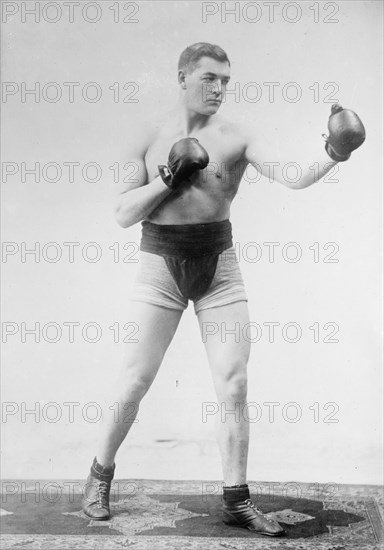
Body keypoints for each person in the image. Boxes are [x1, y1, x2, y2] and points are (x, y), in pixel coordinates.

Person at [81, 42, 365, 537]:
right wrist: (170, 175)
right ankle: (99, 474)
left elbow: (292, 178)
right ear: (182, 77)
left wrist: (332, 153)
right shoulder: (147, 135)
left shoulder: (237, 137)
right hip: (159, 266)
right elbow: (124, 213)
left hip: (220, 266)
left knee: (233, 383)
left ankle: (237, 499)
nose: (219, 89)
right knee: (134, 381)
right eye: (209, 78)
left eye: (226, 81)